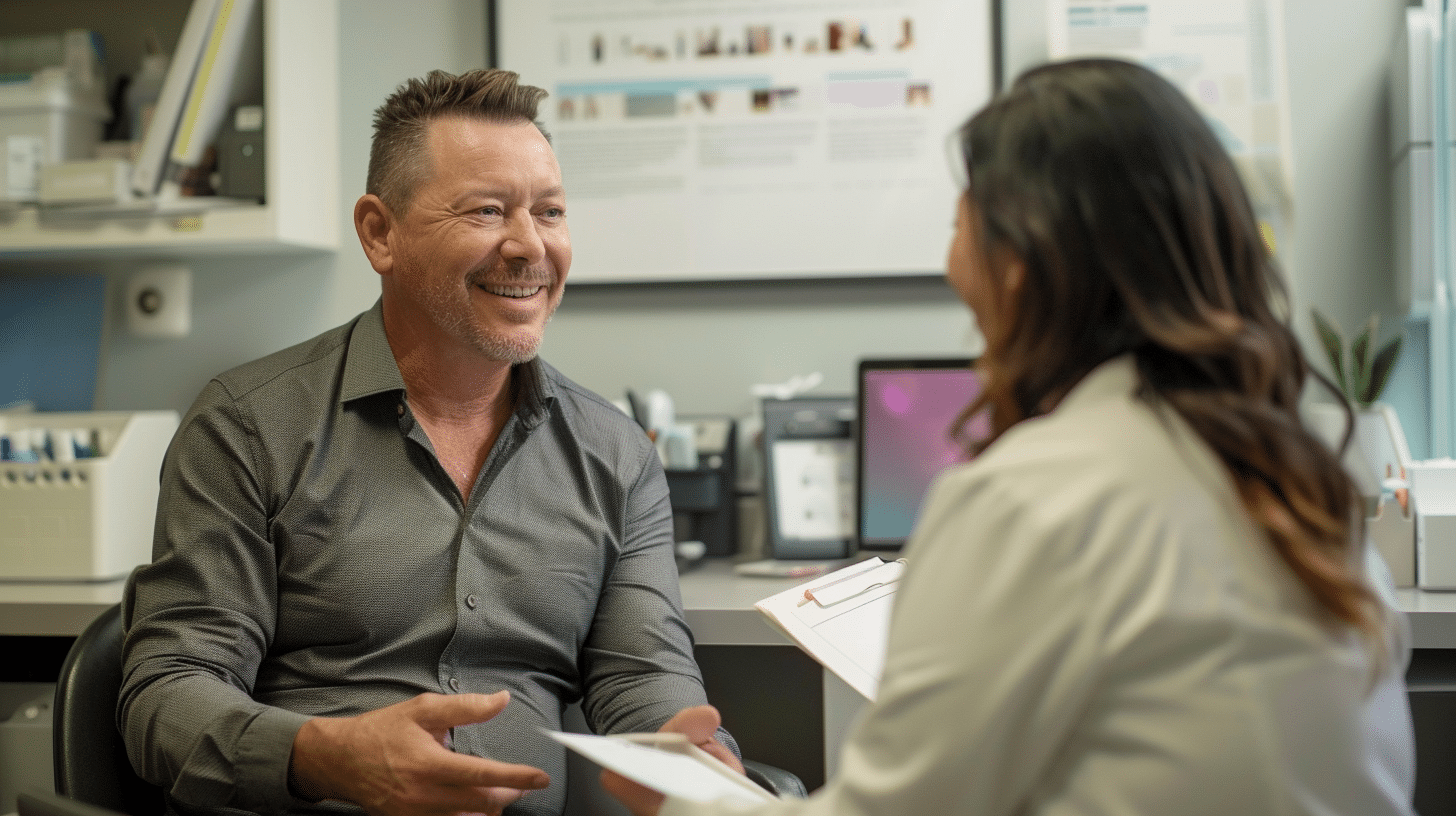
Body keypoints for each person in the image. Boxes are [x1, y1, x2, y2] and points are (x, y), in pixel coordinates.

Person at [605, 57, 1417, 816]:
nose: (952, 262)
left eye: (961, 223)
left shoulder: (1033, 498)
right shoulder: (1301, 487)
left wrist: (686, 799)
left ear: (1021, 261)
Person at [119, 68, 740, 816]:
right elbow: (168, 693)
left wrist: (692, 756)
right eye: (486, 211)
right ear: (380, 233)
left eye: (549, 212)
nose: (529, 246)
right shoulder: (247, 426)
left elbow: (641, 676)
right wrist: (327, 757)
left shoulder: (617, 456)